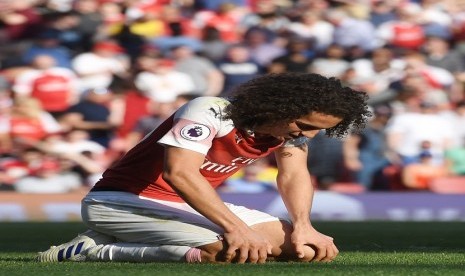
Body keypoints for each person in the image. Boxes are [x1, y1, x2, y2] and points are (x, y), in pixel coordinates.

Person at [37, 73, 370, 264]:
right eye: (304, 124)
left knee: (304, 250)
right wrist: (237, 227)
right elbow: (179, 173)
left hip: (185, 204)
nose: (307, 135)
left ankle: (117, 237)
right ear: (282, 107)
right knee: (229, 252)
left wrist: (303, 226)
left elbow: (294, 174)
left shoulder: (286, 133)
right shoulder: (210, 110)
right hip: (119, 200)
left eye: (317, 130)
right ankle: (96, 250)